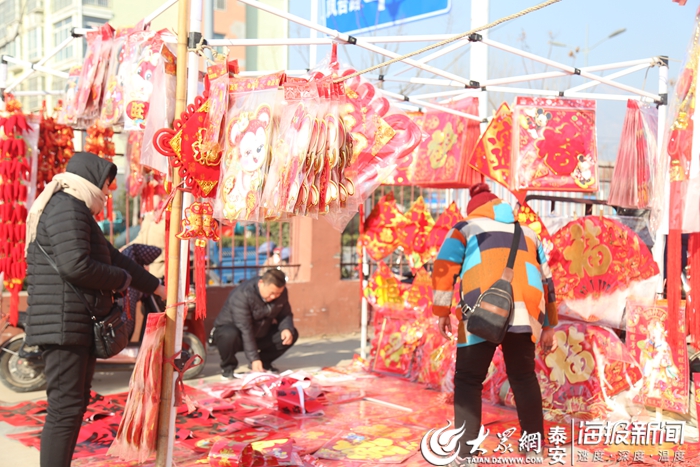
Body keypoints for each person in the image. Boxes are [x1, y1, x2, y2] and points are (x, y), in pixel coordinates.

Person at [24, 152, 167, 467]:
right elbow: (75, 266)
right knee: (65, 409)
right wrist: (121, 280)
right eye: (106, 184)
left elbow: (114, 257)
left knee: (72, 406)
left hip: (72, 324)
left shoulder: (76, 210)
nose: (107, 192)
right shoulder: (66, 208)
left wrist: (156, 286)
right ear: (90, 179)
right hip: (64, 326)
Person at [431, 183, 558, 460]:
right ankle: (534, 447)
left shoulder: (465, 228)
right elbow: (547, 280)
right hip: (526, 314)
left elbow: (443, 269)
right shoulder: (529, 234)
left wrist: (441, 311)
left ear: (473, 209)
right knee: (524, 378)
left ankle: (466, 454)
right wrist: (549, 325)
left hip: (481, 312)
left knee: (468, 380)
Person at [211, 268, 298, 378]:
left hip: (260, 332)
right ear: (261, 283)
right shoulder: (242, 294)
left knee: (291, 333)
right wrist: (254, 359)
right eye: (271, 293)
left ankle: (264, 363)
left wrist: (286, 328)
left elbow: (285, 314)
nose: (274, 297)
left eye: (278, 293)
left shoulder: (281, 293)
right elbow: (245, 329)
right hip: (237, 335)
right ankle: (228, 368)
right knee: (228, 335)